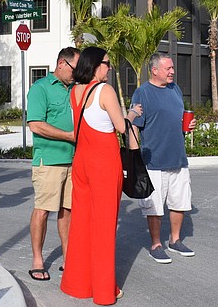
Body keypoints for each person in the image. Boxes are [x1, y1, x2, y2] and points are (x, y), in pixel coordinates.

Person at [61, 47, 140, 306]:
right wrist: (133, 114)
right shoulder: (105, 91)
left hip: (81, 160)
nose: (109, 68)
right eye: (107, 63)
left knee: (82, 224)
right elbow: (120, 126)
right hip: (103, 163)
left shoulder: (75, 91)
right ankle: (105, 291)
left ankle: (78, 284)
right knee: (104, 227)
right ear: (96, 65)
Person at [130, 52, 196, 264]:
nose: (173, 72)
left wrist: (187, 127)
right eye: (168, 68)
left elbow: (176, 119)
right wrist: (135, 159)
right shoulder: (143, 93)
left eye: (172, 68)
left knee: (180, 202)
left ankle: (175, 240)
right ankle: (156, 244)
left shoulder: (175, 89)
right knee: (155, 206)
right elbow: (134, 126)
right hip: (154, 161)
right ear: (154, 70)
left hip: (178, 158)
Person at [27, 47, 80, 282]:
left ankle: (69, 259)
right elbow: (36, 125)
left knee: (67, 211)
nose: (76, 74)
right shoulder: (40, 88)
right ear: (61, 64)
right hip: (48, 161)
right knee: (43, 210)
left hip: (74, 161)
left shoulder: (75, 89)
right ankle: (37, 260)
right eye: (74, 69)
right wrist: (69, 136)